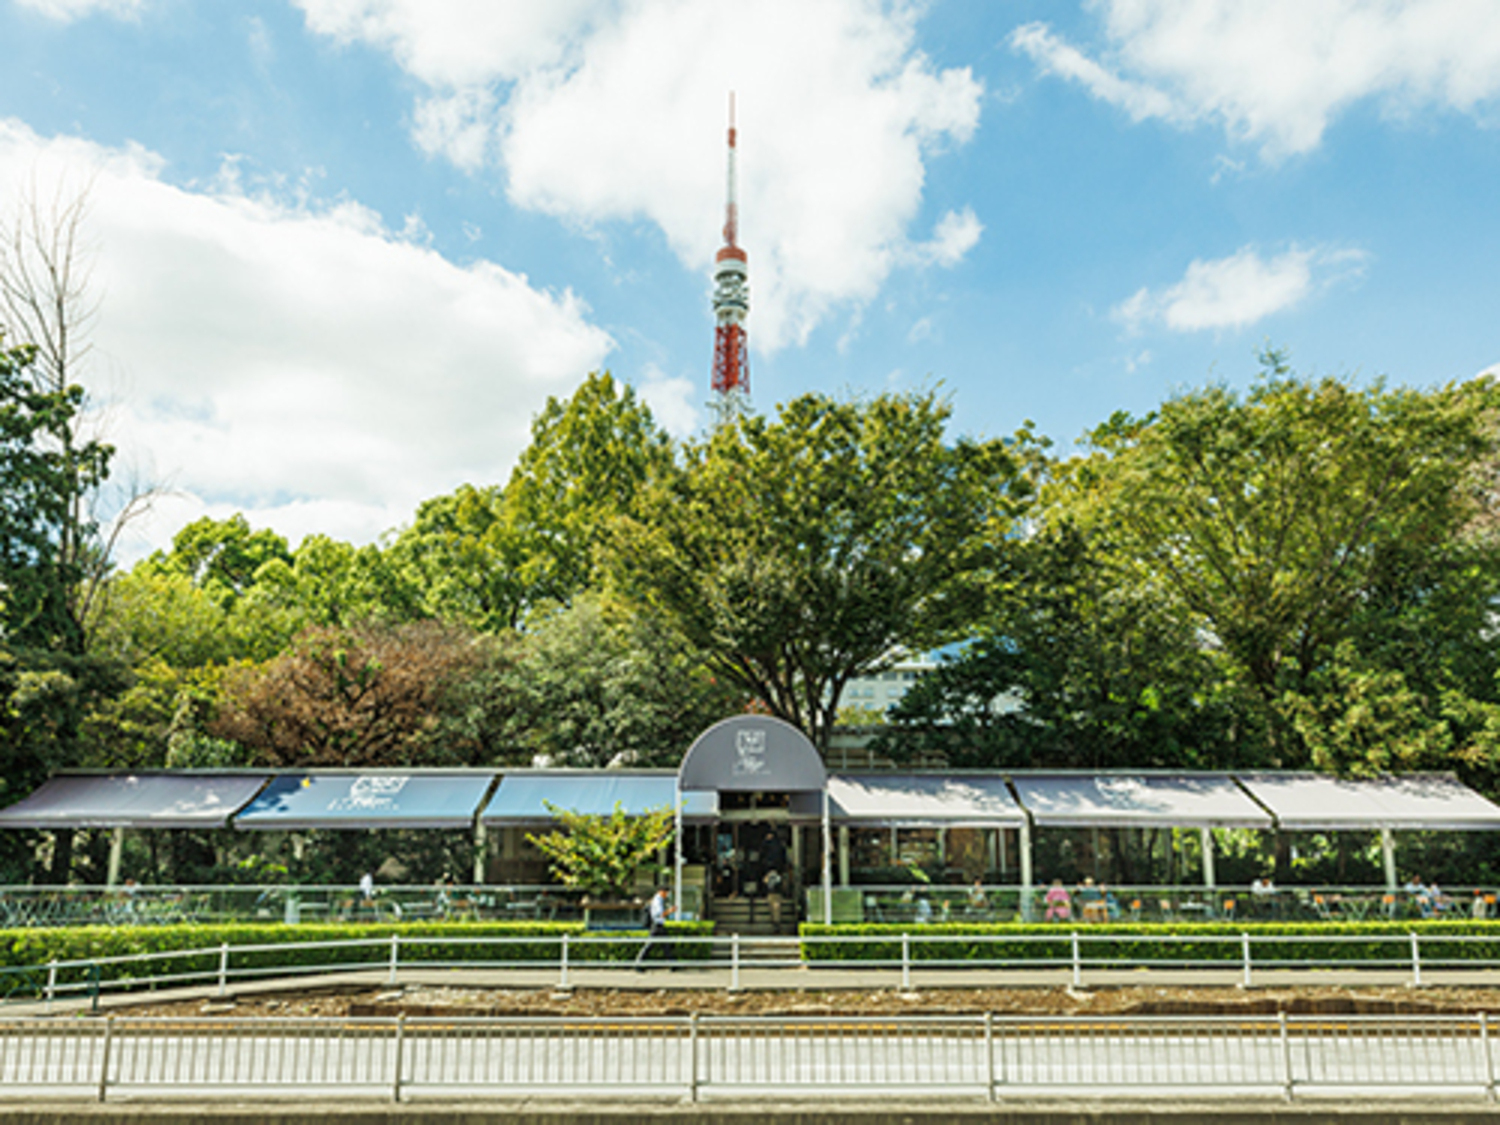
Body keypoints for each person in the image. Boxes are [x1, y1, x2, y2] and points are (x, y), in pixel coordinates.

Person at [634, 888, 675, 969]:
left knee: (665, 945)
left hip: (658, 925)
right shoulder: (658, 900)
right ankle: (638, 964)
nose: (667, 895)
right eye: (666, 893)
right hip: (657, 925)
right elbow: (659, 914)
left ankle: (673, 965)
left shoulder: (658, 899)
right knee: (650, 945)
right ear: (662, 891)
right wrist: (670, 911)